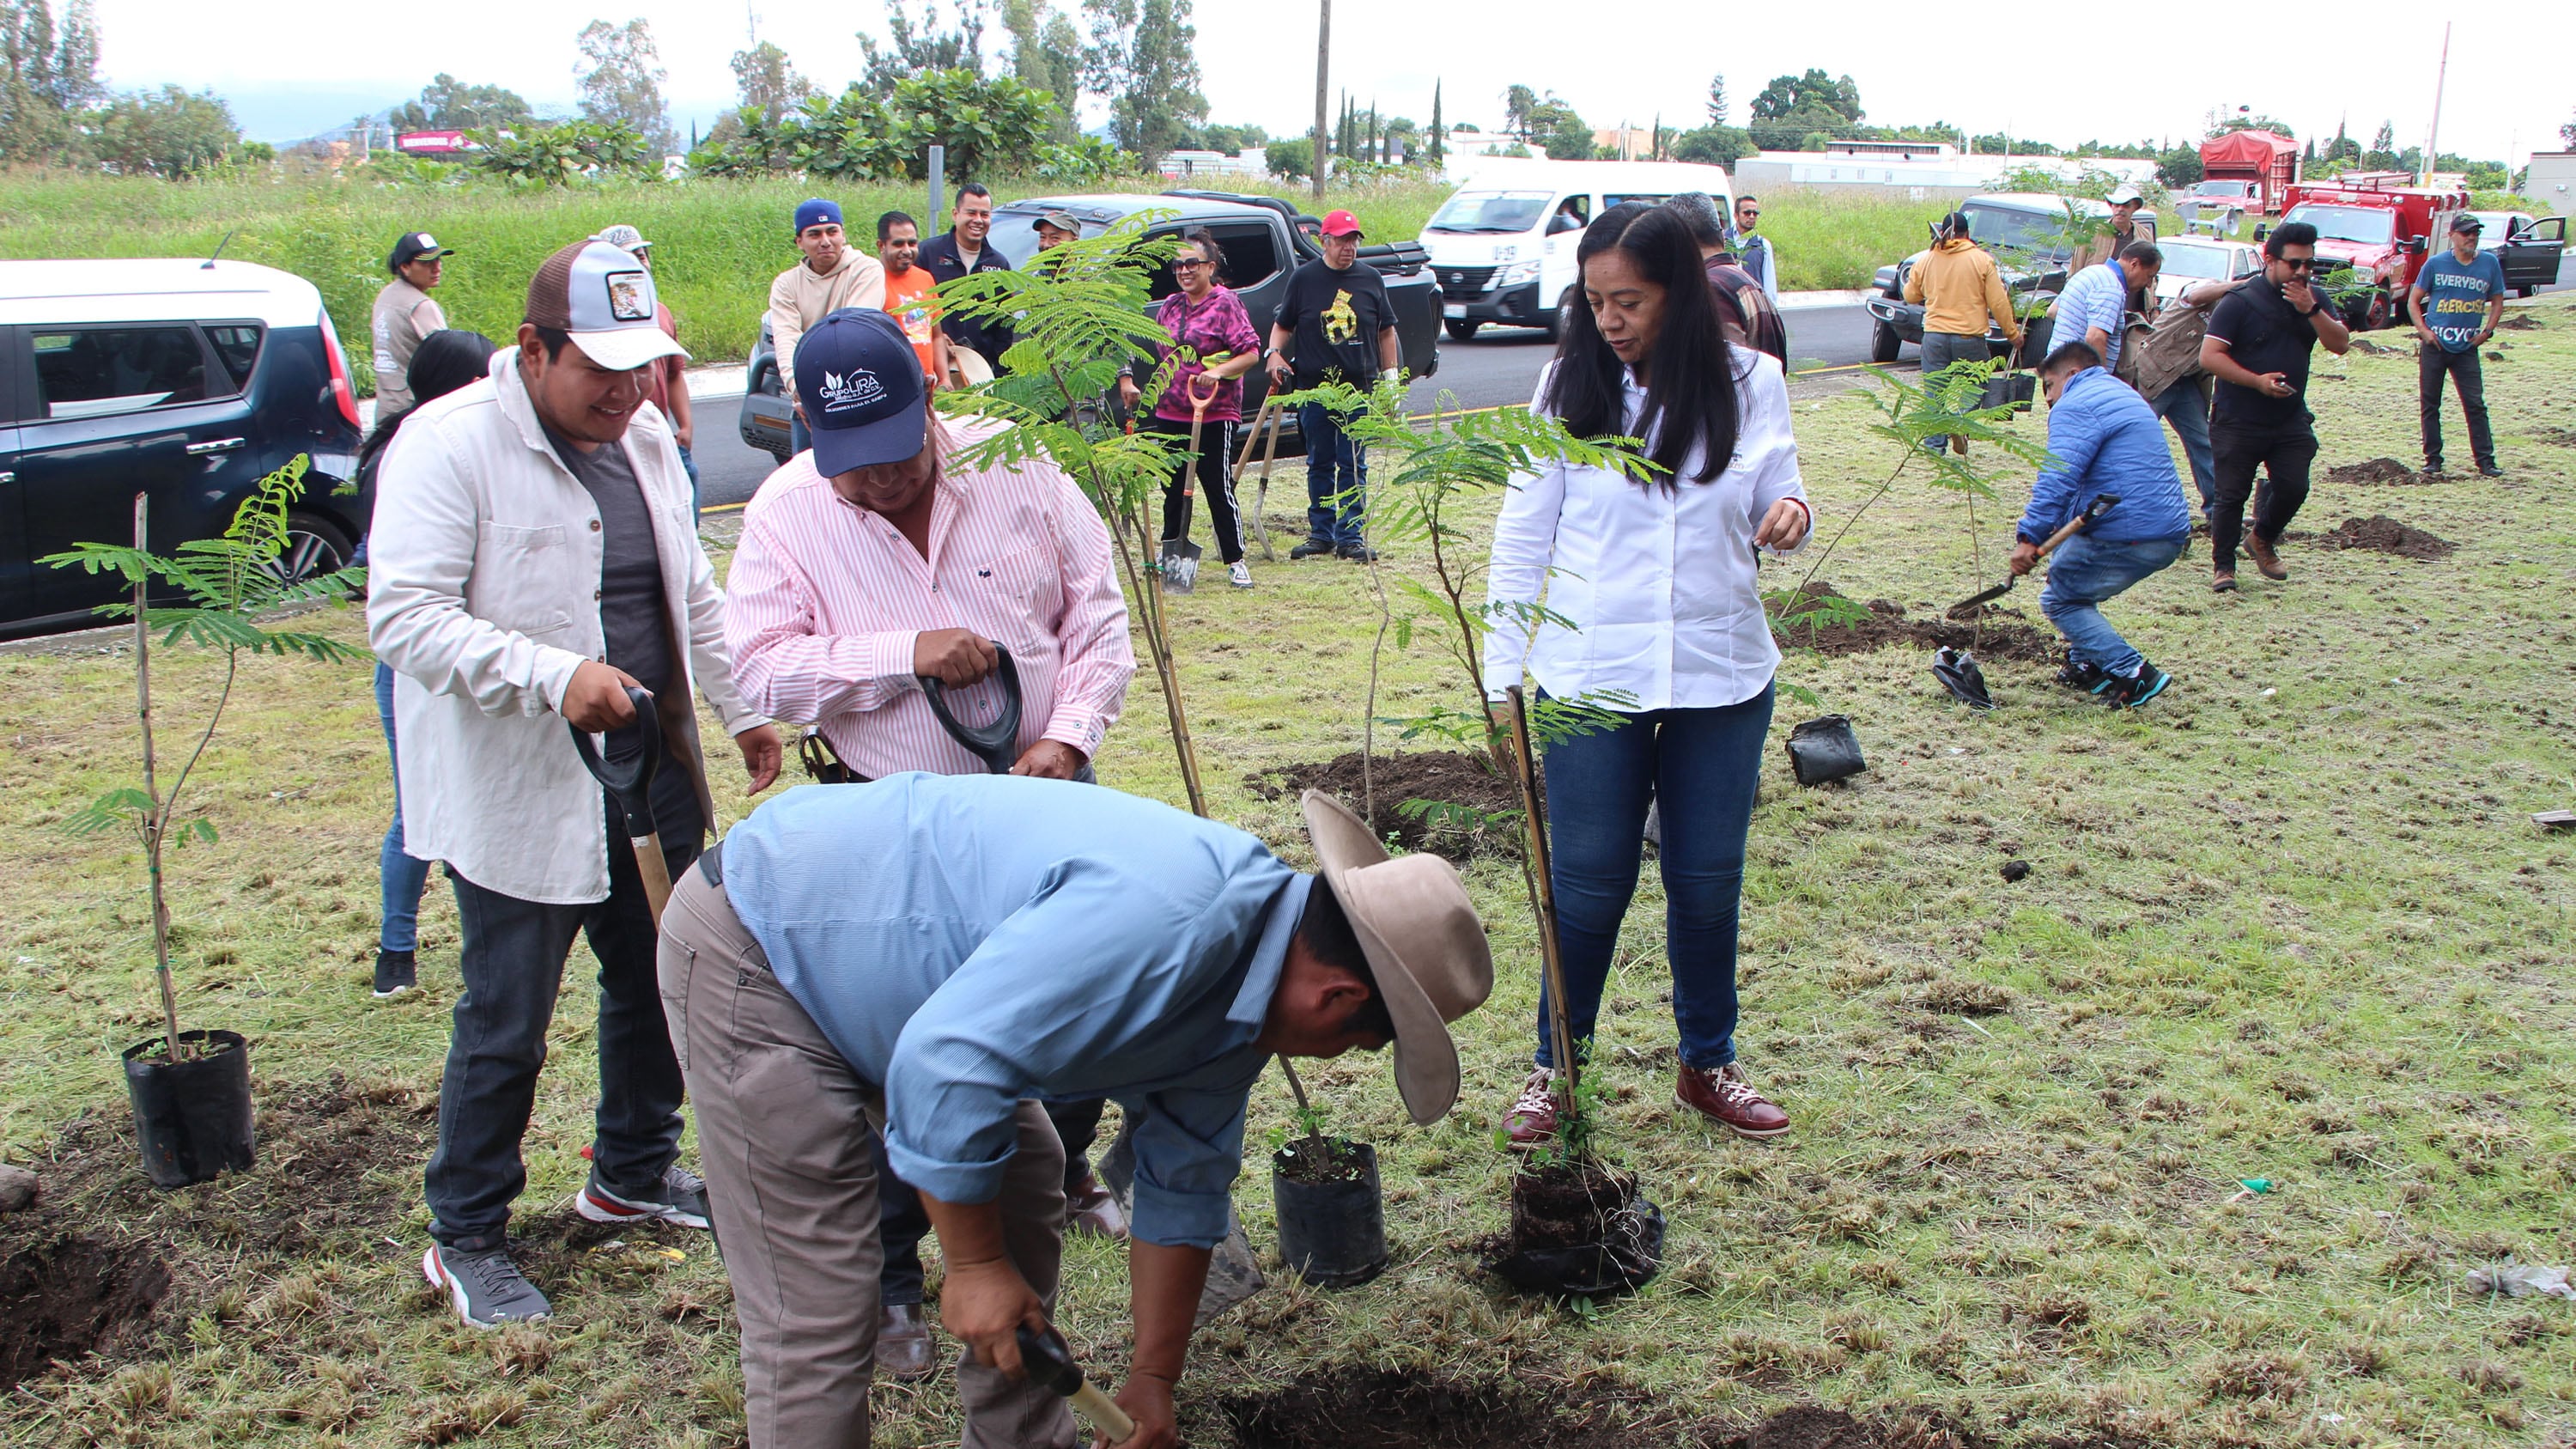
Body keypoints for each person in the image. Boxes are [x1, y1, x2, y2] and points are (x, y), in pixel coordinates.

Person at [658, 776, 1492, 1449]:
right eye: (1357, 1045)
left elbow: (1183, 1186)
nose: (1335, 1060)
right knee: (820, 1302)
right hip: (769, 944)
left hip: (909, 988)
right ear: (1336, 997)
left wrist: (1153, 1380)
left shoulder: (1247, 994)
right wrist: (973, 1267)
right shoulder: (1168, 923)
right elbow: (945, 1063)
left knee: (1023, 1182)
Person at [370, 239, 785, 1328]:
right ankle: (466, 1233)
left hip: (651, 771)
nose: (625, 389)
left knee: (661, 979)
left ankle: (631, 1175)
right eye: (599, 367)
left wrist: (740, 705)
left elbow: (691, 590)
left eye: (640, 365)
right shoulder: (447, 444)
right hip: (523, 788)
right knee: (508, 1014)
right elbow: (404, 618)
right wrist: (556, 677)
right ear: (532, 348)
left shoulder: (644, 435)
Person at [722, 307, 1139, 1376]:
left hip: (1043, 802)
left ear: (931, 402)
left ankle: (1056, 1178)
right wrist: (901, 651)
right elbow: (761, 668)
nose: (878, 478)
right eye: (851, 461)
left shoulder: (1019, 464)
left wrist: (1065, 738)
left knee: (1069, 1023)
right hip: (894, 836)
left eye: (896, 449)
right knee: (901, 1059)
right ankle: (894, 1274)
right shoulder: (785, 513)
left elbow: (1097, 618)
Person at [1483, 204, 1812, 1149]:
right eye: (1595, 301)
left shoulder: (1752, 380)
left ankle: (1708, 1062)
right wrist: (1503, 680)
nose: (1610, 319)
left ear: (1679, 291)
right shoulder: (1567, 384)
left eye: (1628, 299)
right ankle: (1558, 1067)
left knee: (1706, 884)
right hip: (1593, 674)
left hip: (1722, 670)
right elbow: (1522, 538)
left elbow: (1779, 488)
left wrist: (1792, 512)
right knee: (1589, 884)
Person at [355, 328, 499, 999]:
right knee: (418, 801)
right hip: (416, 659)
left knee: (474, 792)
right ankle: (396, 949)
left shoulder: (461, 444)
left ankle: (482, 928)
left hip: (471, 642)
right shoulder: (410, 451)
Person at [2014, 340, 2192, 707]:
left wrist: (2029, 537)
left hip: (2128, 532)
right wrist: (2052, 531)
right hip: (2164, 528)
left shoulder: (2076, 404)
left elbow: (2059, 475)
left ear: (2073, 374)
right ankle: (2087, 665)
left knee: (2061, 600)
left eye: (2049, 385)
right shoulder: (2120, 393)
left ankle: (2134, 672)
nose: (2048, 398)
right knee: (2072, 580)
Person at [2198, 221, 2351, 592]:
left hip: (2289, 418)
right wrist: (2256, 381)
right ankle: (2224, 566)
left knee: (2294, 485)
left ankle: (2262, 538)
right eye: (2294, 263)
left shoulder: (2314, 298)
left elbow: (2341, 344)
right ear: (2270, 261)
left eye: (2308, 264)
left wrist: (2312, 310)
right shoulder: (2240, 301)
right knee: (2231, 495)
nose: (2302, 272)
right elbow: (2209, 356)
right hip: (2238, 416)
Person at [1121, 228, 1265, 589]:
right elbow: (1163, 354)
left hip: (1215, 412)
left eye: (1192, 264)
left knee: (1217, 486)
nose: (1184, 271)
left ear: (1210, 266)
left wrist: (1216, 372)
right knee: (1172, 488)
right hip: (1171, 411)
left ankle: (1235, 560)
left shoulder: (1225, 304)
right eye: (1178, 265)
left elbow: (1250, 352)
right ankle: (1172, 557)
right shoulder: (1171, 306)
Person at [1267, 208, 1400, 562]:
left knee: (1354, 462)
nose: (1348, 248)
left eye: (1353, 240)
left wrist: (1390, 380)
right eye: (1341, 241)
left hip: (1358, 390)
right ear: (1324, 241)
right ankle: (1321, 533)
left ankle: (1351, 536)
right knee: (1320, 462)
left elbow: (1386, 331)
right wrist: (1274, 354)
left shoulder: (1370, 279)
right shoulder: (1304, 279)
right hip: (1315, 390)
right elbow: (1283, 325)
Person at [768, 198, 886, 459]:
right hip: (810, 396)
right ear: (799, 241)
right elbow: (786, 339)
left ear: (843, 235)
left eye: (832, 232)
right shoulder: (786, 285)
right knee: (808, 474)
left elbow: (853, 331)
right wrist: (798, 388)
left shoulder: (866, 270)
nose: (825, 241)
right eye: (815, 234)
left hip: (859, 391)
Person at [596, 224, 698, 519]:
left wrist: (685, 426)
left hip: (662, 435)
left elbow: (673, 373)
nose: (637, 264)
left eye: (641, 256)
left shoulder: (661, 313)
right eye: (626, 258)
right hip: (617, 439)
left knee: (684, 511)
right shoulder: (597, 320)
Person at [1904, 211, 2024, 449]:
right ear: (1968, 234)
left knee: (1934, 394)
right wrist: (2013, 334)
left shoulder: (1927, 259)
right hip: (1969, 338)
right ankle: (1959, 420)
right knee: (1977, 385)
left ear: (1942, 232)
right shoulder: (1981, 260)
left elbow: (1910, 295)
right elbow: (1998, 303)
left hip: (1934, 337)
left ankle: (1934, 448)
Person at [2117, 278, 2235, 515]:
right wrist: (2241, 285)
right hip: (2151, 374)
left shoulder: (2237, 315)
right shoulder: (2207, 290)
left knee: (2203, 442)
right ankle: (2114, 505)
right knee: (2130, 441)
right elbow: (2194, 296)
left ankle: (2219, 511)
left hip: (2183, 381)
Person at [2409, 213, 2506, 478]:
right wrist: (2424, 332)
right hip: (2436, 345)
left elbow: (2497, 300)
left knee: (2475, 404)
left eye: (2475, 233)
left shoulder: (2489, 263)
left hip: (2467, 347)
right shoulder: (2435, 264)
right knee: (2430, 403)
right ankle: (2433, 459)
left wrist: (2487, 332)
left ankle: (2486, 461)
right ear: (2451, 236)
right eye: (2466, 233)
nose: (2471, 237)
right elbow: (2413, 300)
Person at [1668, 192, 1788, 364]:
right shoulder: (1742, 281)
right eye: (1747, 213)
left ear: (1678, 242)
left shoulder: (1711, 291)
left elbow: (1726, 371)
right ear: (1722, 236)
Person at [920, 182, 1015, 377]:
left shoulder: (999, 264)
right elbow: (911, 308)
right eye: (971, 213)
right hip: (934, 367)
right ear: (955, 214)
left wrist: (998, 373)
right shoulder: (928, 254)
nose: (978, 220)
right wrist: (935, 337)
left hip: (980, 372)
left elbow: (1004, 325)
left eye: (984, 214)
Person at [371, 231, 453, 413]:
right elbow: (450, 359)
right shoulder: (421, 306)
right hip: (413, 411)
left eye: (438, 260)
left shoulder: (386, 296)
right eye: (426, 263)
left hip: (387, 408)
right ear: (405, 267)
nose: (437, 268)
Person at [2050, 240, 2161, 374]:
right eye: (2149, 276)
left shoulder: (2090, 272)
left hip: (2057, 367)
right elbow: (2095, 338)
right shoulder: (2111, 288)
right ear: (2134, 264)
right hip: (2076, 373)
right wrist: (2101, 379)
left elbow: (2053, 311)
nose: (2149, 284)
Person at [874, 210, 952, 393]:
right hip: (891, 387)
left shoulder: (925, 278)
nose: (907, 251)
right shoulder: (872, 281)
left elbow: (936, 335)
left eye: (912, 243)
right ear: (881, 245)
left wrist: (944, 378)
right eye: (898, 244)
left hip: (927, 386)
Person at [2070, 186, 2154, 276]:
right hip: (2096, 284)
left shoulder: (2144, 236)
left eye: (2126, 205)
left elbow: (2150, 271)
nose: (2120, 209)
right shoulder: (2093, 232)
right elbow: (2076, 268)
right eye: (2117, 205)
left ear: (2135, 207)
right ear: (2112, 206)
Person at [1732, 193, 1779, 304]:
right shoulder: (1722, 241)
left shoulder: (1763, 245)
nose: (1752, 216)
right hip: (1728, 305)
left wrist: (1771, 308)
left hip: (1753, 305)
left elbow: (1769, 284)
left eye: (1755, 213)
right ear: (1736, 216)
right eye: (1747, 213)